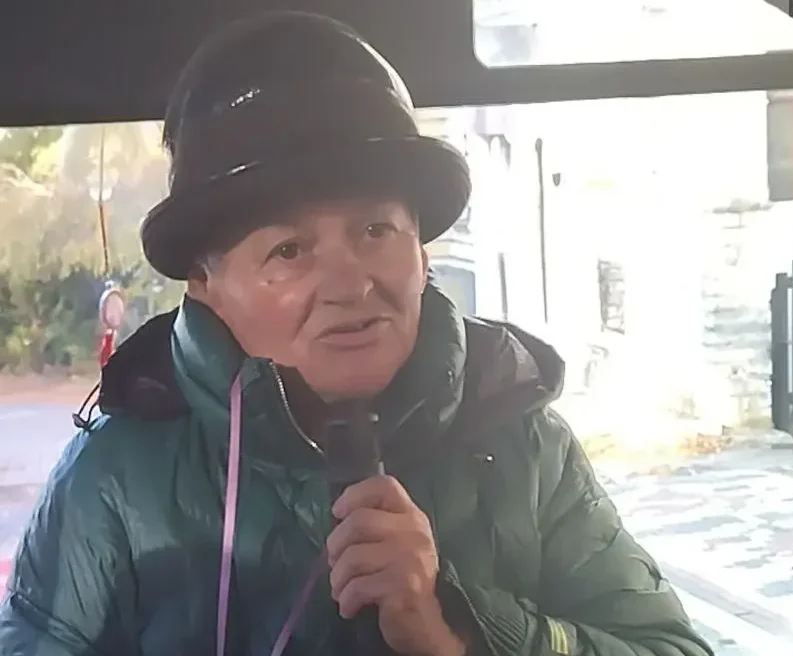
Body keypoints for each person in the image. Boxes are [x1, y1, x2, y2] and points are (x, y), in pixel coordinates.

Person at [0, 11, 714, 656]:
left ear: (422, 253)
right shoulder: (118, 477)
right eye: (288, 250)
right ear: (206, 284)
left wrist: (456, 631)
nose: (349, 285)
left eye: (376, 230)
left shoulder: (524, 449)